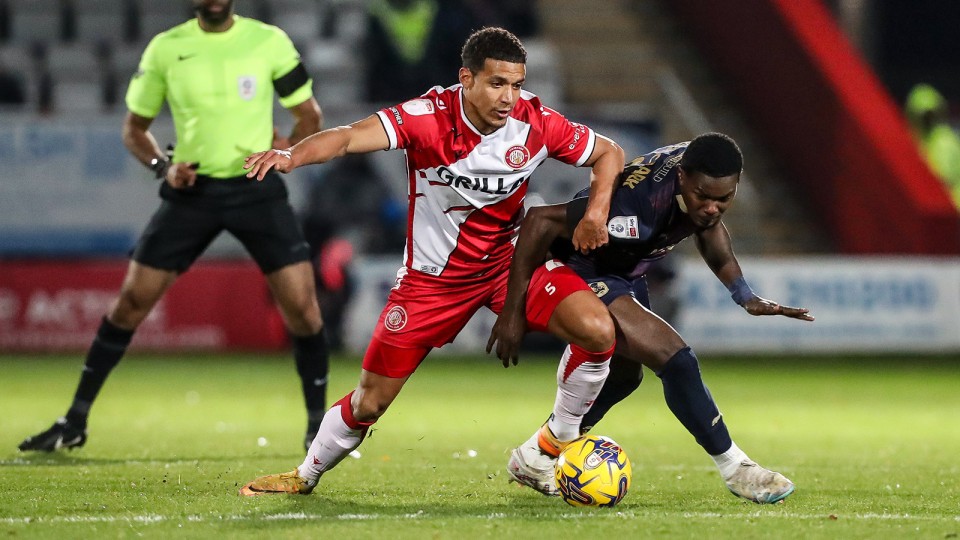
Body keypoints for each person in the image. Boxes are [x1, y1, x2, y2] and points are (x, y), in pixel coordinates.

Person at [237, 26, 626, 496]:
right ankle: (305, 475)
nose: (510, 98)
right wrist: (291, 156)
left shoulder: (537, 122)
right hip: (431, 281)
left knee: (598, 331)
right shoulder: (426, 117)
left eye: (517, 85)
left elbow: (609, 152)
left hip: (507, 266)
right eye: (497, 83)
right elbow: (346, 138)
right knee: (370, 401)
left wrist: (597, 214)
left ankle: (546, 450)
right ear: (466, 78)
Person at [18, 0, 330, 453]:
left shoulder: (268, 41)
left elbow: (311, 117)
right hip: (193, 191)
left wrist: (286, 148)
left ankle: (319, 429)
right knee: (130, 303)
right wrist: (162, 166)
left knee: (303, 309)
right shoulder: (166, 48)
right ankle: (74, 420)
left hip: (255, 186)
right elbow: (134, 130)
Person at [488, 133, 815, 504]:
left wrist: (744, 295)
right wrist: (512, 311)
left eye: (723, 199)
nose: (711, 207)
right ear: (682, 178)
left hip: (621, 273)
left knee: (627, 377)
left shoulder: (699, 175)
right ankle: (736, 468)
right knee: (676, 359)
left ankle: (538, 454)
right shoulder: (634, 203)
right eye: (702, 197)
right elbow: (540, 220)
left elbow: (707, 229)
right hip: (579, 268)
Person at [905, 83, 960, 207]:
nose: (928, 120)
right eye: (924, 116)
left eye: (931, 115)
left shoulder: (944, 141)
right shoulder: (914, 141)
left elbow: (944, 176)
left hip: (951, 207)